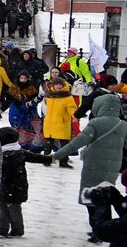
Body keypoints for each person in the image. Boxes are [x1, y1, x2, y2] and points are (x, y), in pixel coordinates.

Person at [52, 92, 127, 237]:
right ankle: (103, 226)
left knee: (92, 195)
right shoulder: (123, 125)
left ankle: (97, 229)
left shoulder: (96, 123)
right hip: (113, 166)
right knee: (105, 193)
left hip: (94, 164)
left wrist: (55, 156)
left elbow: (76, 143)